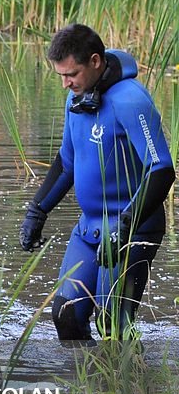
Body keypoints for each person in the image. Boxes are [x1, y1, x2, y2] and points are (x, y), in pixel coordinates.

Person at [19, 23, 174, 341]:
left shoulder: (130, 100)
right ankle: (86, 387)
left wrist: (124, 227)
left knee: (112, 324)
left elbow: (161, 169)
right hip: (90, 229)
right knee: (66, 315)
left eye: (71, 74)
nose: (65, 83)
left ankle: (134, 388)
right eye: (61, 75)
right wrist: (38, 210)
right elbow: (67, 163)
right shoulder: (76, 99)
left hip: (133, 230)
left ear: (95, 61)